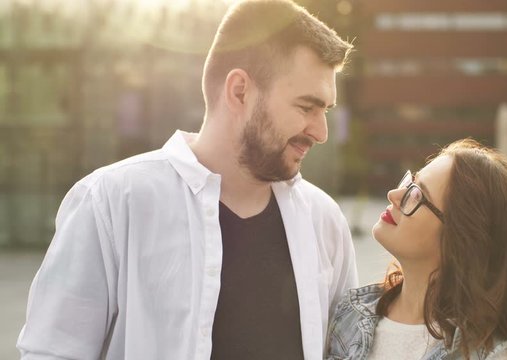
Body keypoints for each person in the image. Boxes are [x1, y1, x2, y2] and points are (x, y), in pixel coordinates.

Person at [17, 1, 358, 359]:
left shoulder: (324, 220)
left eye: (325, 111)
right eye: (306, 107)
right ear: (240, 90)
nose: (321, 132)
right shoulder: (113, 202)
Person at [326, 139, 507, 360]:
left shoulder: (497, 355)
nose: (395, 194)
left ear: (462, 238)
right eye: (410, 182)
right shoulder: (350, 313)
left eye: (416, 194)